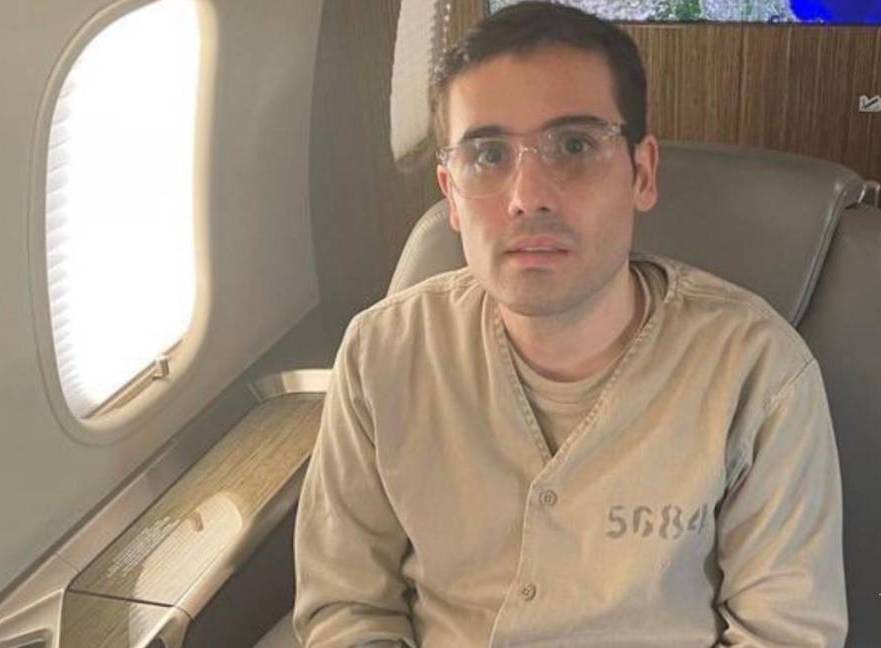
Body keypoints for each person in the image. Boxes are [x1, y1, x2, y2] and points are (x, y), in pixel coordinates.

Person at [293, 2, 847, 646]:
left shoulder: (759, 372)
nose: (527, 196)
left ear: (641, 174)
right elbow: (347, 605)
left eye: (575, 146)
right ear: (451, 195)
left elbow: (784, 633)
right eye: (488, 155)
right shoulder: (380, 356)